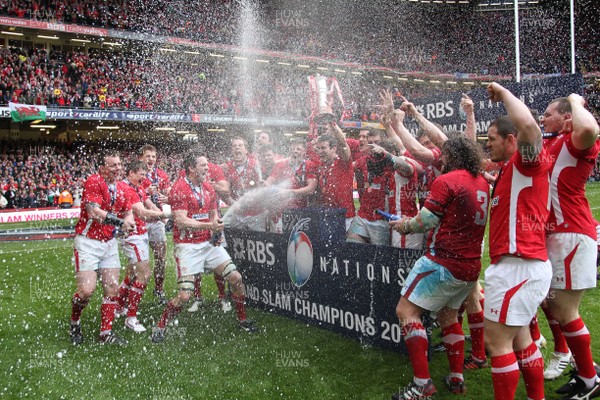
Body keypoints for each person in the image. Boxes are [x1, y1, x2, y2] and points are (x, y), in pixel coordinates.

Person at [388, 135, 489, 399]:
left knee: (406, 311)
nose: (440, 158)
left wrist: (404, 224)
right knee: (448, 317)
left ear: (452, 156)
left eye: (444, 154)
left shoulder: (445, 180)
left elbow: (426, 221)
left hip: (444, 261)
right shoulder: (481, 181)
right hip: (470, 266)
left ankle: (422, 385)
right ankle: (456, 377)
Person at [483, 82, 553, 400]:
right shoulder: (509, 168)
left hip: (518, 265)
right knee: (522, 339)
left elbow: (528, 126)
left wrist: (504, 93)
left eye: (492, 140)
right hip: (521, 266)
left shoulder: (528, 162)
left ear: (512, 140)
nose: (488, 146)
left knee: (497, 344)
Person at [151, 151, 258, 343]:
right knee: (184, 296)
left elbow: (213, 214)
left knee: (236, 278)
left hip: (208, 244)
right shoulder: (179, 188)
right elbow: (182, 221)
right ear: (191, 168)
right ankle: (161, 326)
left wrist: (216, 232)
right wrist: (210, 226)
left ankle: (242, 319)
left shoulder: (208, 187)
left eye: (207, 165)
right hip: (188, 247)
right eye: (203, 165)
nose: (207, 169)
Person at [539, 94, 600, 398]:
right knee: (556, 305)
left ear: (565, 117)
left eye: (548, 114)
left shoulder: (577, 139)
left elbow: (590, 129)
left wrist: (577, 103)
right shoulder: (553, 142)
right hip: (556, 236)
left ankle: (589, 380)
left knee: (565, 310)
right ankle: (584, 366)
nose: (543, 118)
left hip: (572, 234)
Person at [69, 150, 135, 345]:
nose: (118, 168)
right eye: (113, 165)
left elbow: (129, 211)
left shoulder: (122, 187)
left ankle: (105, 334)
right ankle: (75, 322)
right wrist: (120, 222)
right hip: (88, 242)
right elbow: (93, 212)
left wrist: (129, 221)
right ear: (102, 168)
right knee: (86, 291)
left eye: (119, 164)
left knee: (112, 288)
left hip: (109, 243)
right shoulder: (94, 181)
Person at [115, 160, 172, 333]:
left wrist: (162, 215)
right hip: (133, 236)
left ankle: (119, 307)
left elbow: (149, 205)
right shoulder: (127, 188)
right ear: (131, 173)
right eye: (141, 174)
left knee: (132, 274)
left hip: (139, 234)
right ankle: (131, 317)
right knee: (144, 275)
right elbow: (142, 212)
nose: (144, 178)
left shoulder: (137, 187)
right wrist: (165, 214)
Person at [139, 144, 171, 304]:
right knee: (138, 261)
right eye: (147, 156)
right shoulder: (137, 174)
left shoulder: (162, 176)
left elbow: (166, 196)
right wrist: (146, 193)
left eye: (153, 156)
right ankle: (131, 294)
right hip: (141, 220)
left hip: (157, 221)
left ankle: (159, 289)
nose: (150, 159)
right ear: (141, 158)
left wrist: (165, 207)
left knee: (160, 257)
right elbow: (131, 194)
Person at [313, 122, 355, 231]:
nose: (320, 152)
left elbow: (343, 144)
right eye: (319, 148)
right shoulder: (320, 166)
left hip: (345, 217)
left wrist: (333, 125)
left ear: (333, 148)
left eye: (323, 148)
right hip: (327, 216)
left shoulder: (343, 162)